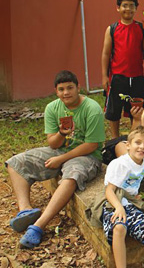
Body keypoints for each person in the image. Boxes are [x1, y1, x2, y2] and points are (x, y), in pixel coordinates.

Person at [6, 70, 105, 248]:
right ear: (56, 91)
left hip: (87, 156)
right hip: (60, 150)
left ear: (78, 88)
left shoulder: (92, 108)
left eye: (70, 88)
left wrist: (61, 160)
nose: (66, 92)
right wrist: (61, 133)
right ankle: (25, 210)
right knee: (16, 162)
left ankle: (38, 226)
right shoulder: (52, 108)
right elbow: (52, 143)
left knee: (72, 176)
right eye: (61, 89)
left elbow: (92, 145)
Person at [102, 126, 144, 268]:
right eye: (137, 143)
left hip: (131, 204)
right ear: (128, 145)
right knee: (119, 228)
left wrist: (134, 194)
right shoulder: (120, 164)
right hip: (114, 203)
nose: (141, 147)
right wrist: (119, 207)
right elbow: (109, 191)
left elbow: (134, 182)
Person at [101, 0, 144, 138]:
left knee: (137, 110)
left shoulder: (140, 28)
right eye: (125, 5)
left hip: (137, 76)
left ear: (136, 9)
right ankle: (115, 139)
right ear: (118, 8)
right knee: (114, 110)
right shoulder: (111, 29)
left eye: (132, 6)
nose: (128, 9)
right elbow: (105, 53)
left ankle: (134, 137)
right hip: (117, 76)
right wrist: (104, 76)